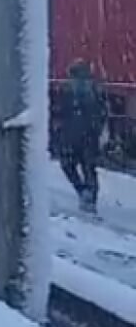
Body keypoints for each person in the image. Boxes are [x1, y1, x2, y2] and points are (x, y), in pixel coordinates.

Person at [57, 60, 108, 214]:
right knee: (89, 168)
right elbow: (102, 113)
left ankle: (84, 193)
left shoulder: (68, 92)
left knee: (69, 165)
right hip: (88, 136)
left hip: (73, 137)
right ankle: (90, 199)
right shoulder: (94, 92)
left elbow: (60, 114)